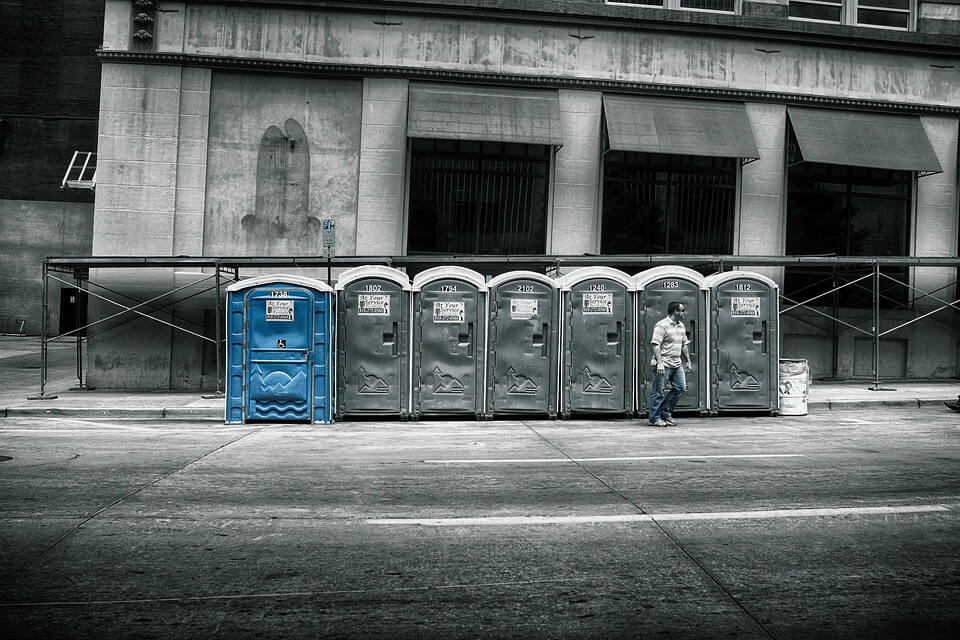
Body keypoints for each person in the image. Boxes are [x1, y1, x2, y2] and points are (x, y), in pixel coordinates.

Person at [648, 301, 692, 427]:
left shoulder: (681, 325)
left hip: (676, 364)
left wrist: (688, 361)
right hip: (664, 364)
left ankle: (665, 413)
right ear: (675, 312)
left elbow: (684, 345)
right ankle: (654, 418)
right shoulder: (661, 326)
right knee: (659, 392)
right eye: (682, 310)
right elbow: (655, 345)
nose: (684, 313)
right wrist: (660, 363)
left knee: (680, 387)